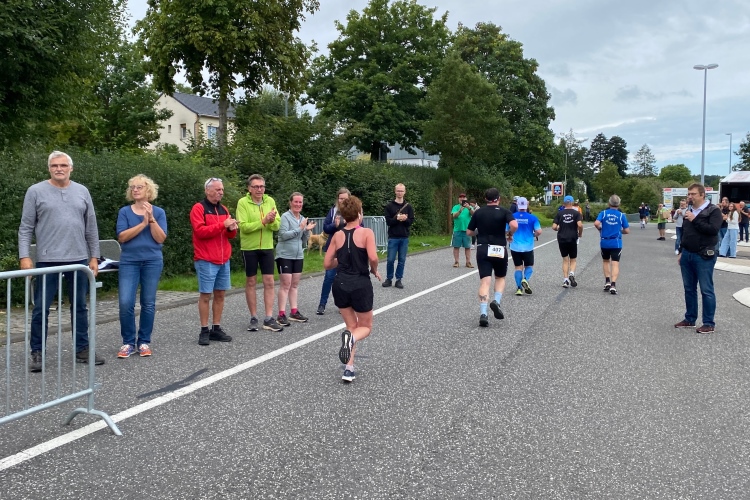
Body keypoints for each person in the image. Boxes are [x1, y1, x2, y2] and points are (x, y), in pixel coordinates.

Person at [18, 151, 105, 372]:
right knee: (41, 308)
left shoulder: (82, 191)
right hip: (47, 260)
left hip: (78, 259)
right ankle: (37, 352)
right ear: (49, 168)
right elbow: (26, 227)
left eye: (63, 165)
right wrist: (24, 256)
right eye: (54, 165)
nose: (59, 169)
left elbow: (91, 227)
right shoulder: (35, 191)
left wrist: (94, 257)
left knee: (80, 307)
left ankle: (82, 349)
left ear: (71, 168)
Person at [324, 196, 381, 383]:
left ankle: (349, 369)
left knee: (351, 327)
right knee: (365, 327)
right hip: (359, 284)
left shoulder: (337, 235)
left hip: (340, 284)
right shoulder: (366, 232)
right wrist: (374, 269)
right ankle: (350, 342)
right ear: (359, 213)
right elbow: (373, 257)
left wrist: (342, 260)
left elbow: (327, 263)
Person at [115, 175, 168, 358]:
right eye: (133, 187)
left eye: (139, 187)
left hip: (152, 261)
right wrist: (143, 223)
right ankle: (128, 342)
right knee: (125, 302)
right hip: (129, 261)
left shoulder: (159, 212)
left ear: (148, 190)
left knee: (148, 302)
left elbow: (160, 238)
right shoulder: (124, 212)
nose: (135, 190)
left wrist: (151, 220)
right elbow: (122, 237)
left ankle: (144, 341)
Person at [190, 177, 237, 345]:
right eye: (217, 189)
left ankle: (216, 328)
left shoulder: (224, 209)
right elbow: (200, 232)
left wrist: (232, 228)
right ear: (207, 190)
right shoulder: (199, 208)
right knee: (205, 295)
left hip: (224, 259)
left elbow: (229, 235)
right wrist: (222, 225)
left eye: (222, 189)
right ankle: (204, 330)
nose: (221, 192)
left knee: (220, 294)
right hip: (206, 258)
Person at [236, 174, 283, 331]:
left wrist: (271, 222)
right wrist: (263, 221)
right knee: (251, 281)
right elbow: (244, 227)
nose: (259, 189)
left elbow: (277, 226)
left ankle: (268, 318)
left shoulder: (270, 201)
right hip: (249, 248)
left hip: (267, 247)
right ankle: (254, 317)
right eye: (256, 186)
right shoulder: (243, 203)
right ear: (249, 188)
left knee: (269, 281)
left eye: (262, 186)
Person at [675, 183, 723, 334]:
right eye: (689, 194)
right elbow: (685, 233)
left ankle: (708, 323)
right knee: (689, 289)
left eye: (693, 194)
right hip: (687, 254)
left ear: (702, 195)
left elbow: (713, 230)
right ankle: (690, 318)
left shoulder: (713, 210)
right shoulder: (689, 211)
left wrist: (695, 219)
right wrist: (681, 251)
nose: (690, 197)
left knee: (706, 289)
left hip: (704, 255)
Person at [467, 188, 517, 327]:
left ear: (485, 199)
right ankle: (496, 301)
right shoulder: (504, 211)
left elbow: (469, 232)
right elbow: (514, 225)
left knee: (485, 282)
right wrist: (509, 234)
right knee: (500, 277)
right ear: (498, 198)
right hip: (499, 248)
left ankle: (483, 314)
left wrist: (479, 232)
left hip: (483, 247)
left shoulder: (478, 212)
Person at [276, 192, 316, 324]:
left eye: (300, 202)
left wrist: (307, 231)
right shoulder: (285, 217)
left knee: (294, 284)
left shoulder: (303, 218)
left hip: (298, 255)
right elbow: (283, 235)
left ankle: (294, 312)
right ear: (290, 203)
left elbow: (303, 240)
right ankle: (281, 314)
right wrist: (300, 228)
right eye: (296, 202)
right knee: (286, 284)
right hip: (285, 255)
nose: (298, 204)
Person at [316, 187, 350, 315]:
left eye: (345, 198)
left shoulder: (353, 211)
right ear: (337, 199)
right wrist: (334, 225)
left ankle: (344, 304)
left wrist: (347, 223)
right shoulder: (333, 211)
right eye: (340, 198)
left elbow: (360, 227)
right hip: (333, 248)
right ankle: (322, 304)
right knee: (329, 277)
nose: (342, 201)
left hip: (348, 248)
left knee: (345, 277)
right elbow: (325, 228)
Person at [594, 195, 630, 295]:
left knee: (606, 261)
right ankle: (613, 285)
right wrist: (620, 231)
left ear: (609, 203)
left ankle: (607, 281)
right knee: (615, 263)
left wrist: (600, 229)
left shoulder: (604, 213)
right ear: (619, 204)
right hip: (616, 242)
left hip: (605, 241)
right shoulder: (621, 215)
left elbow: (596, 223)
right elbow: (627, 230)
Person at [383, 183, 414, 289]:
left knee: (401, 260)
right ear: (395, 191)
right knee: (390, 259)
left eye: (401, 191)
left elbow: (410, 222)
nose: (400, 193)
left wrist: (405, 219)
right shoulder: (389, 206)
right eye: (398, 191)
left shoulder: (408, 207)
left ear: (405, 192)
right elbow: (388, 222)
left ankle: (398, 279)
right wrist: (397, 219)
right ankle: (389, 279)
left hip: (404, 237)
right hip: (393, 237)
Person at [509, 197, 541, 296]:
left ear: (517, 205)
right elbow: (539, 231)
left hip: (515, 246)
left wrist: (509, 235)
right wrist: (533, 235)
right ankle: (525, 279)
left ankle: (519, 288)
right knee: (529, 266)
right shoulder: (533, 217)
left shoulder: (511, 217)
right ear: (527, 205)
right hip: (528, 247)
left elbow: (506, 230)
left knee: (518, 267)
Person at [552, 195, 583, 288]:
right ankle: (572, 273)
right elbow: (580, 225)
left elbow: (554, 227)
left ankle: (565, 280)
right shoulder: (576, 213)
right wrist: (580, 233)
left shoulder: (560, 213)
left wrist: (558, 228)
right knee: (573, 259)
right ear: (572, 203)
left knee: (565, 259)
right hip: (573, 237)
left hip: (562, 238)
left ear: (564, 203)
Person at [451, 193, 475, 268]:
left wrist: (469, 208)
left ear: (466, 199)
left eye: (463, 197)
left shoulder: (470, 207)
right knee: (456, 246)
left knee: (467, 247)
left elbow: (474, 215)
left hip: (467, 230)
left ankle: (468, 262)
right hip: (457, 230)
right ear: (458, 199)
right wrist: (460, 210)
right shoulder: (455, 207)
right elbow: (454, 216)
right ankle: (456, 262)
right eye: (460, 197)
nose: (462, 198)